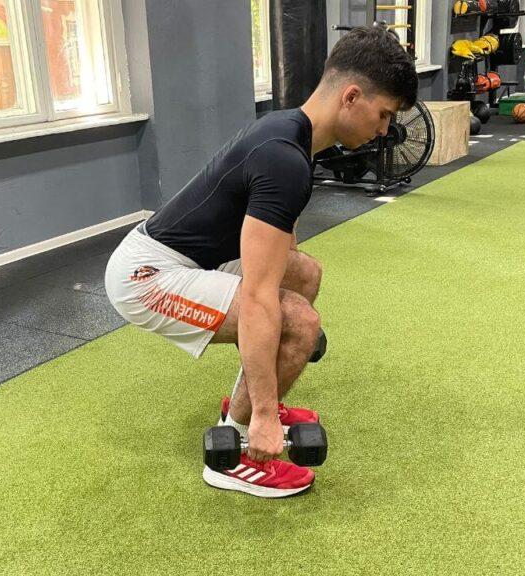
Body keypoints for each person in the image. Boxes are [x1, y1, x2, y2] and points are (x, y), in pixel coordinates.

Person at [104, 26, 417, 498]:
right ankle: (241, 449)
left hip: (190, 259)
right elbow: (257, 296)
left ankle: (244, 403)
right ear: (351, 96)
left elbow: (279, 259)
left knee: (305, 272)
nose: (382, 130)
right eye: (383, 115)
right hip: (146, 277)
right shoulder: (284, 159)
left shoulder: (292, 132)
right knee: (297, 322)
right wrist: (268, 419)